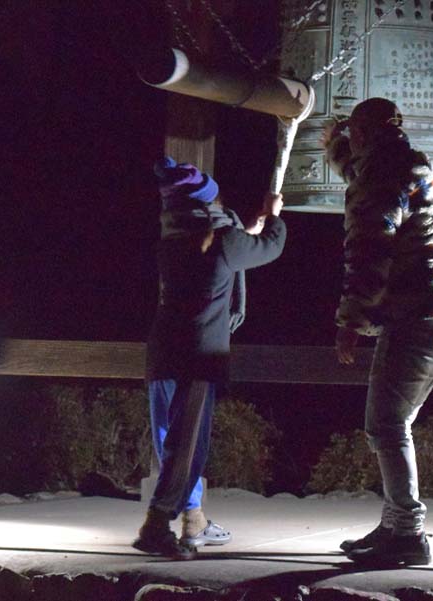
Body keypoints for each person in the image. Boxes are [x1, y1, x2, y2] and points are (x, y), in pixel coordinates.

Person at [321, 98, 433, 566]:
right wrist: (338, 149)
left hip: (414, 322)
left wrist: (349, 322)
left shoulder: (381, 178)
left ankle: (407, 532)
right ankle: (394, 525)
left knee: (385, 426)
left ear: (362, 133)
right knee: (393, 426)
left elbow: (369, 252)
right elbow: (367, 177)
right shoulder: (410, 165)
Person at [134, 157, 286, 559]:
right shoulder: (223, 243)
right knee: (189, 446)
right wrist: (274, 217)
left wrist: (243, 229)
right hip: (198, 357)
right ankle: (156, 524)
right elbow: (271, 247)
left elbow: (223, 247)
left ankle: (192, 519)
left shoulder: (172, 242)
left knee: (171, 441)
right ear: (207, 204)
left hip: (162, 353)